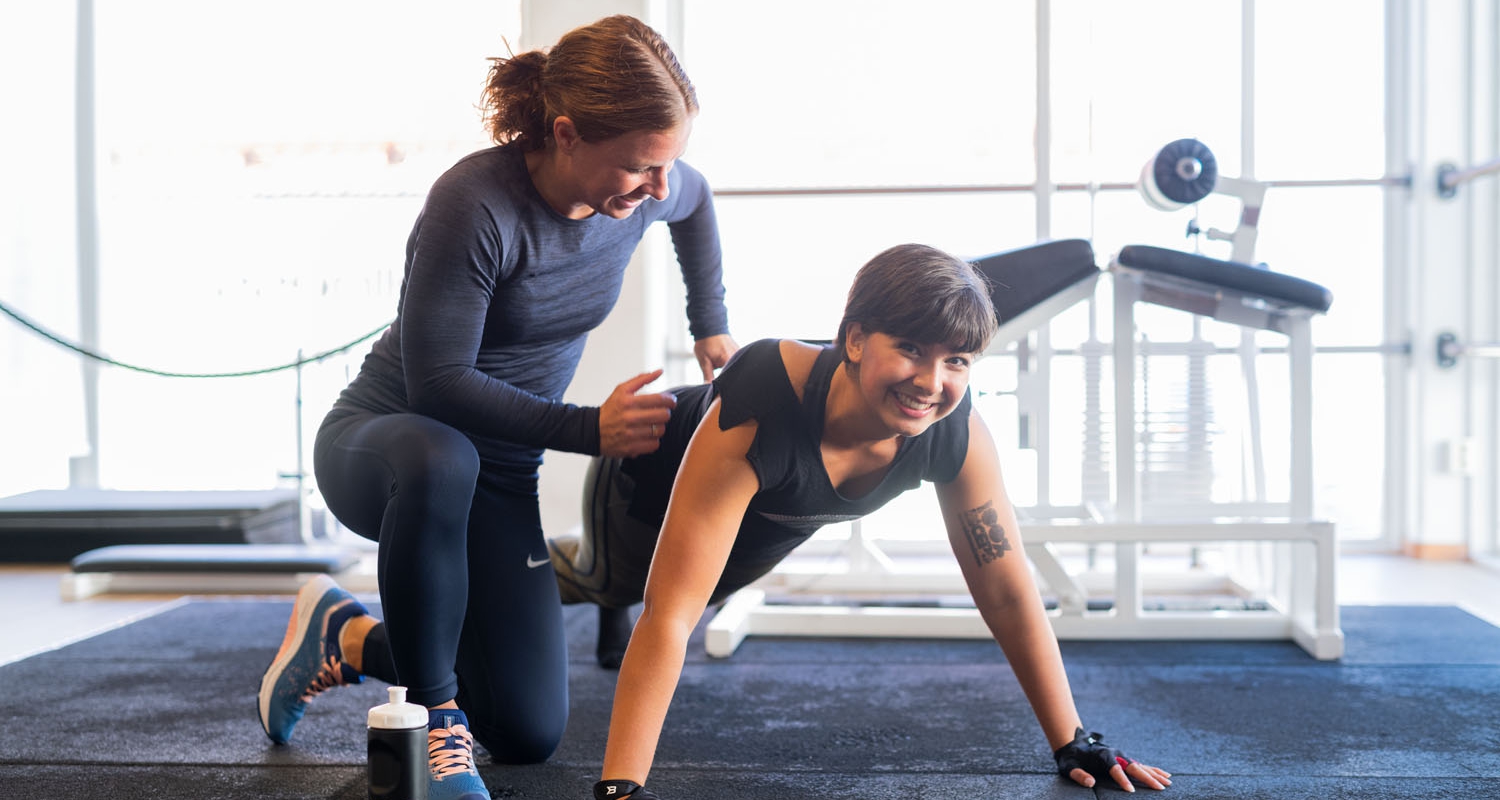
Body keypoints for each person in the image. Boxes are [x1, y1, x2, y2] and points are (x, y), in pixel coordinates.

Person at [253, 15, 736, 800]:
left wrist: (709, 323)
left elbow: (697, 201)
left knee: (524, 730)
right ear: (567, 134)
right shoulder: (476, 203)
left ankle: (345, 634)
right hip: (386, 450)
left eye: (666, 164)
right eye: (640, 167)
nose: (658, 186)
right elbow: (438, 385)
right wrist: (590, 429)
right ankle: (435, 720)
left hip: (501, 475)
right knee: (445, 455)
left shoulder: (645, 192)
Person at [549, 244, 1172, 799]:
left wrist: (1072, 742)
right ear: (854, 340)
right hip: (643, 483)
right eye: (910, 349)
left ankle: (611, 607)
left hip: (764, 524)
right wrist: (620, 788)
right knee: (619, 584)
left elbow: (1007, 592)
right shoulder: (764, 399)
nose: (931, 382)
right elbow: (670, 615)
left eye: (957, 360)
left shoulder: (954, 434)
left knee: (706, 592)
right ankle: (537, 569)